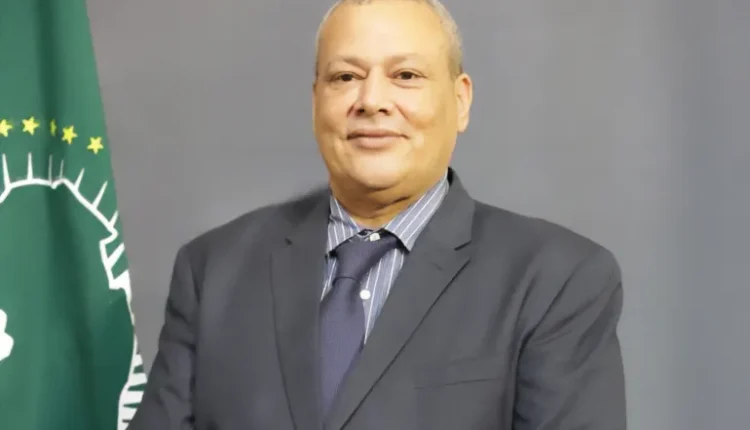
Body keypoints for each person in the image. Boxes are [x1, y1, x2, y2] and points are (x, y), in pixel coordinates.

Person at [128, 0, 627, 429]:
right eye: (345, 77)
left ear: (460, 101)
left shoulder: (556, 280)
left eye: (405, 76)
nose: (371, 101)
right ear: (316, 101)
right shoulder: (214, 270)